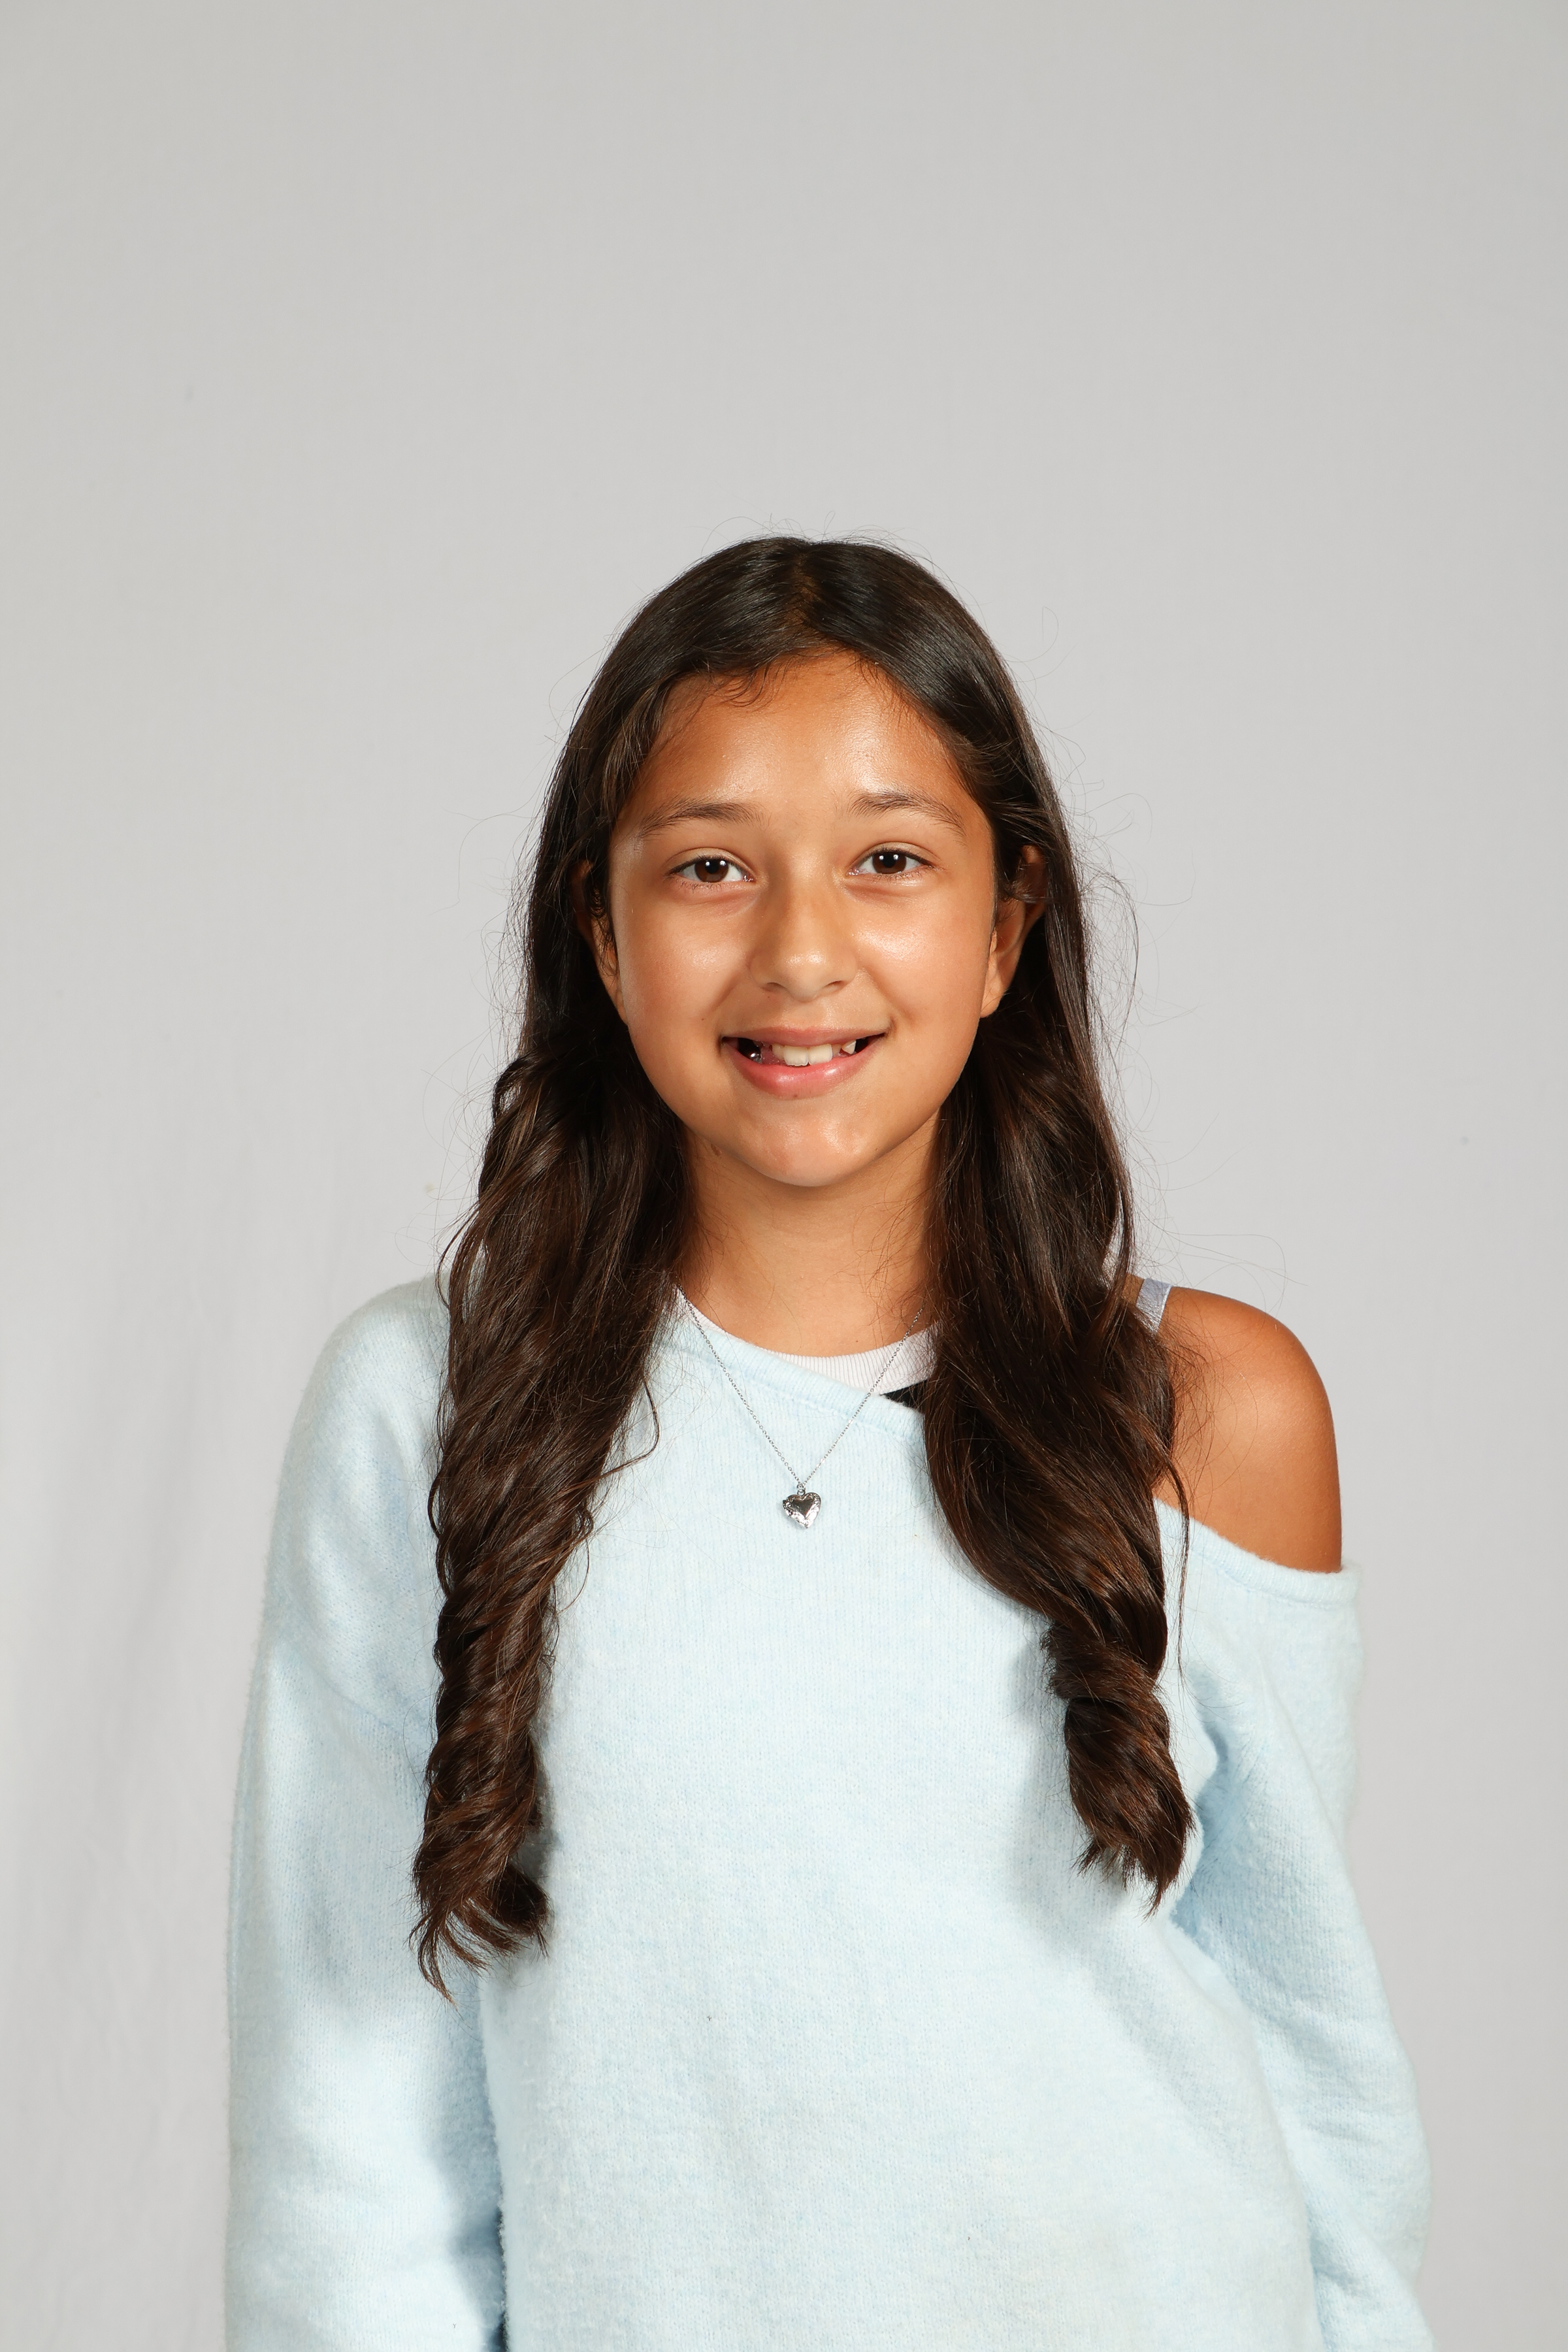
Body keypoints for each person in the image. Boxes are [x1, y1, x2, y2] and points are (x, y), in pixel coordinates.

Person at [226, 538, 1431, 2349]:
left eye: (890, 861)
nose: (801, 951)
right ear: (603, 932)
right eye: (710, 865)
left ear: (1006, 927)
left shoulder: (1211, 1407)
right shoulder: (428, 1408)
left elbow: (1317, 2072)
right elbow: (348, 2144)